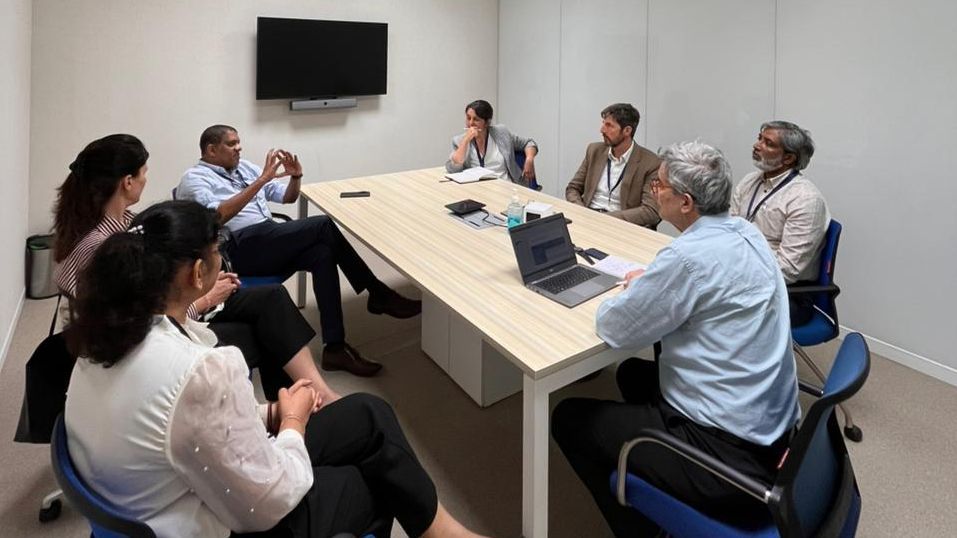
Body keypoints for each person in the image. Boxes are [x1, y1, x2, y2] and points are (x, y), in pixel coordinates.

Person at [64, 200, 486, 538]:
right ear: (198, 273)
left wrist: (269, 413)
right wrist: (293, 422)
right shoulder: (202, 369)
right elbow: (269, 501)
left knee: (368, 411)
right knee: (375, 479)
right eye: (217, 253)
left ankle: (443, 531)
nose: (222, 260)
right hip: (222, 519)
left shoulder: (104, 338)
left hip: (168, 493)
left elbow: (187, 424)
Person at [552, 141, 801, 537]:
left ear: (686, 202)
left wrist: (639, 290)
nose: (654, 190)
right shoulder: (747, 233)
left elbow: (615, 326)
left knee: (568, 418)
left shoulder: (686, 258)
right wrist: (654, 284)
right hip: (774, 434)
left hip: (727, 459)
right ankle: (653, 470)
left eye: (660, 185)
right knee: (631, 373)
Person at [53, 134, 341, 400]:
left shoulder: (117, 224)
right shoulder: (101, 247)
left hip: (172, 307)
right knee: (264, 332)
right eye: (144, 173)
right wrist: (205, 300)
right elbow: (146, 325)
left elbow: (150, 289)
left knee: (273, 297)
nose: (146, 179)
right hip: (155, 339)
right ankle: (298, 406)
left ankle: (313, 396)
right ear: (128, 182)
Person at [177, 125, 422, 376]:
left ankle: (335, 348)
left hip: (267, 238)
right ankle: (377, 292)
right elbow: (215, 217)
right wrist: (261, 180)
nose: (239, 148)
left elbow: (288, 198)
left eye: (239, 142)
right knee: (323, 225)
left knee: (322, 254)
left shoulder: (246, 168)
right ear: (211, 150)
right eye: (231, 144)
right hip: (237, 247)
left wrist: (296, 178)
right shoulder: (195, 178)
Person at [730, 120, 829, 325]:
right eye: (759, 138)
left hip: (786, 293)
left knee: (708, 307)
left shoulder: (806, 199)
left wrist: (735, 277)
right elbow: (728, 231)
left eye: (768, 143)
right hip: (742, 273)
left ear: (788, 158)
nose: (756, 145)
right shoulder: (750, 181)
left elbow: (787, 270)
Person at [565, 103, 661, 228]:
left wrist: (604, 219)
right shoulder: (594, 150)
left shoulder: (651, 163)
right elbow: (572, 189)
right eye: (603, 123)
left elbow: (650, 211)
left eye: (609, 125)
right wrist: (582, 212)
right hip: (587, 218)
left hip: (621, 225)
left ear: (627, 131)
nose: (602, 130)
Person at [445, 99, 538, 186]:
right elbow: (453, 169)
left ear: (487, 122)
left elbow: (529, 143)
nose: (471, 123)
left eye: (476, 119)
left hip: (505, 186)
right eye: (468, 118)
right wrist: (466, 140)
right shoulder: (459, 140)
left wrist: (529, 159)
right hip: (476, 188)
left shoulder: (501, 133)